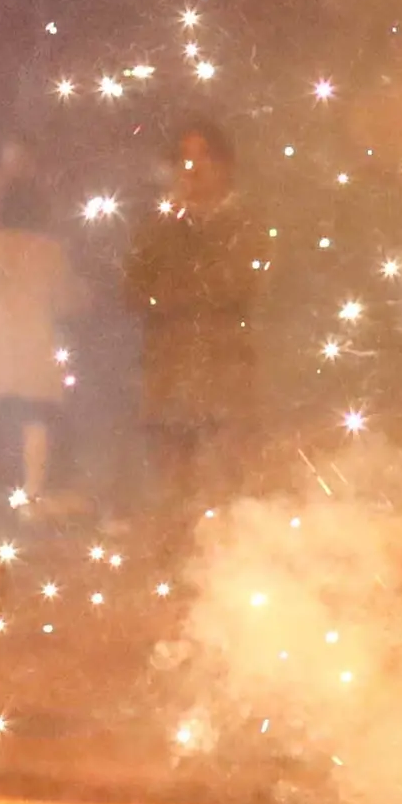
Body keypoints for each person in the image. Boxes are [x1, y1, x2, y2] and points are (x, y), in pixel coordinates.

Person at [123, 117, 266, 551]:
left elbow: (238, 284)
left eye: (204, 156)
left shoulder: (244, 223)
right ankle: (173, 563)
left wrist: (178, 288)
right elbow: (134, 289)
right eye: (184, 157)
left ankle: (231, 564)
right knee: (171, 483)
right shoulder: (158, 226)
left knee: (228, 479)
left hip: (226, 371)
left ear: (225, 165)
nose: (193, 167)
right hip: (168, 370)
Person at [0, 168, 71, 511]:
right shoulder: (48, 248)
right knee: (35, 417)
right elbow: (63, 298)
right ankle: (31, 496)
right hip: (31, 337)